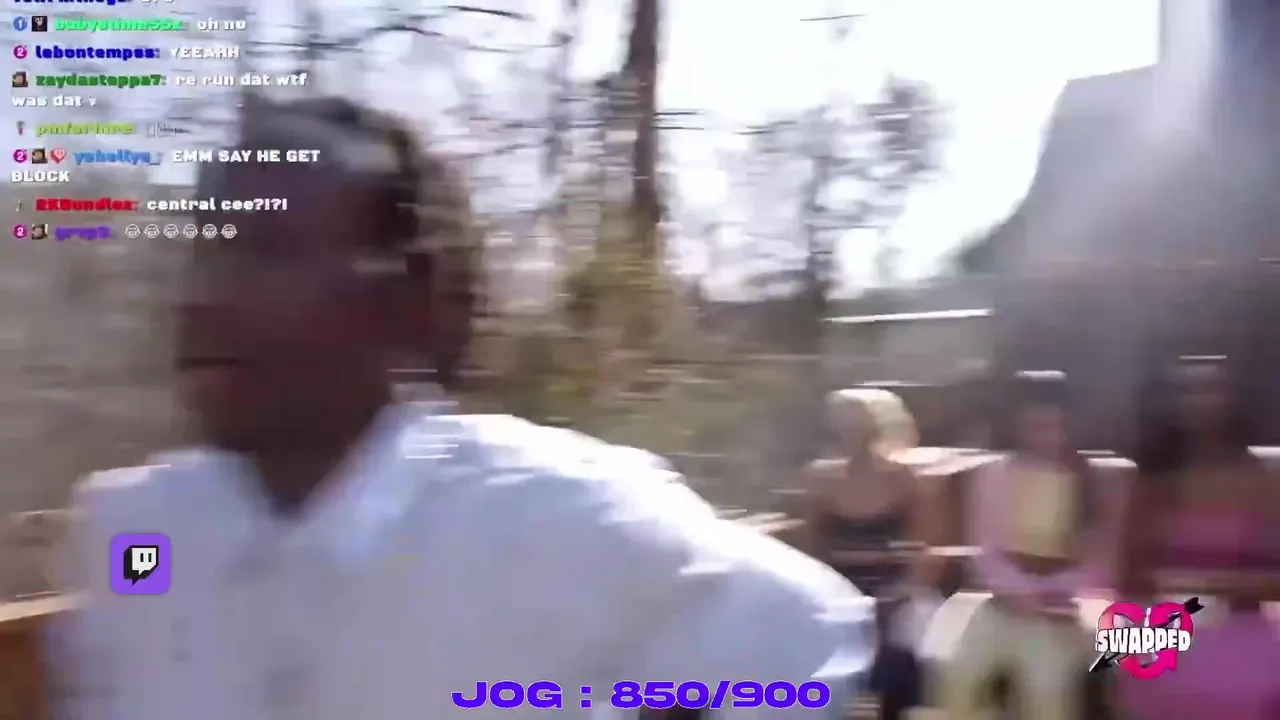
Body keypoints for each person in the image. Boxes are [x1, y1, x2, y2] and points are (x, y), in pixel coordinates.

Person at [47, 95, 875, 720]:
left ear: (412, 302)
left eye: (270, 253)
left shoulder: (558, 522)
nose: (210, 296)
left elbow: (805, 643)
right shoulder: (136, 533)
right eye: (207, 250)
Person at [939, 371, 1116, 720]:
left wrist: (1054, 596)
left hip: (1069, 608)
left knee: (1046, 685)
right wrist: (1019, 593)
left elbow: (1102, 559)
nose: (1045, 436)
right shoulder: (993, 474)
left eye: (1054, 426)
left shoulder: (1097, 478)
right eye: (1034, 427)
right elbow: (985, 547)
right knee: (958, 674)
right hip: (1004, 600)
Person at [1117, 355, 1280, 720]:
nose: (1202, 403)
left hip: (1241, 622)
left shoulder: (1259, 479)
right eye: (1189, 391)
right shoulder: (1150, 480)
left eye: (1212, 390)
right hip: (1162, 618)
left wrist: (1215, 587)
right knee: (1134, 665)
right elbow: (1125, 572)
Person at [803, 388, 938, 720]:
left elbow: (922, 550)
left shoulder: (906, 480)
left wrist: (901, 590)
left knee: (901, 639)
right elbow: (813, 548)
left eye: (858, 428)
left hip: (896, 586)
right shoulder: (821, 479)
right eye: (843, 428)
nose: (851, 437)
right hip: (838, 586)